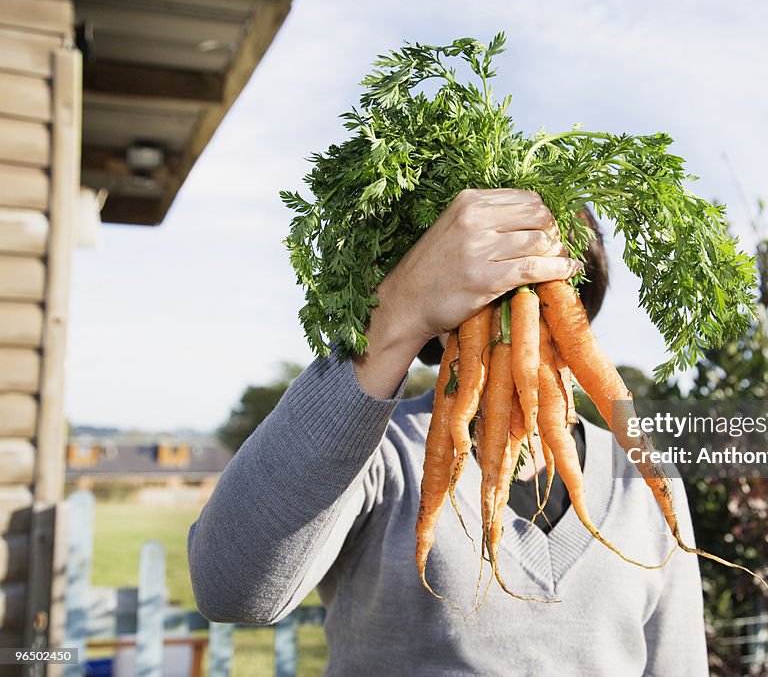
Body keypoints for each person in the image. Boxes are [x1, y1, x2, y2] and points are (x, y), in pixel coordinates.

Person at [188, 189, 710, 675]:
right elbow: (230, 589)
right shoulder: (378, 455)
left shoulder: (644, 480)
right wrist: (393, 313)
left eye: (547, 297)